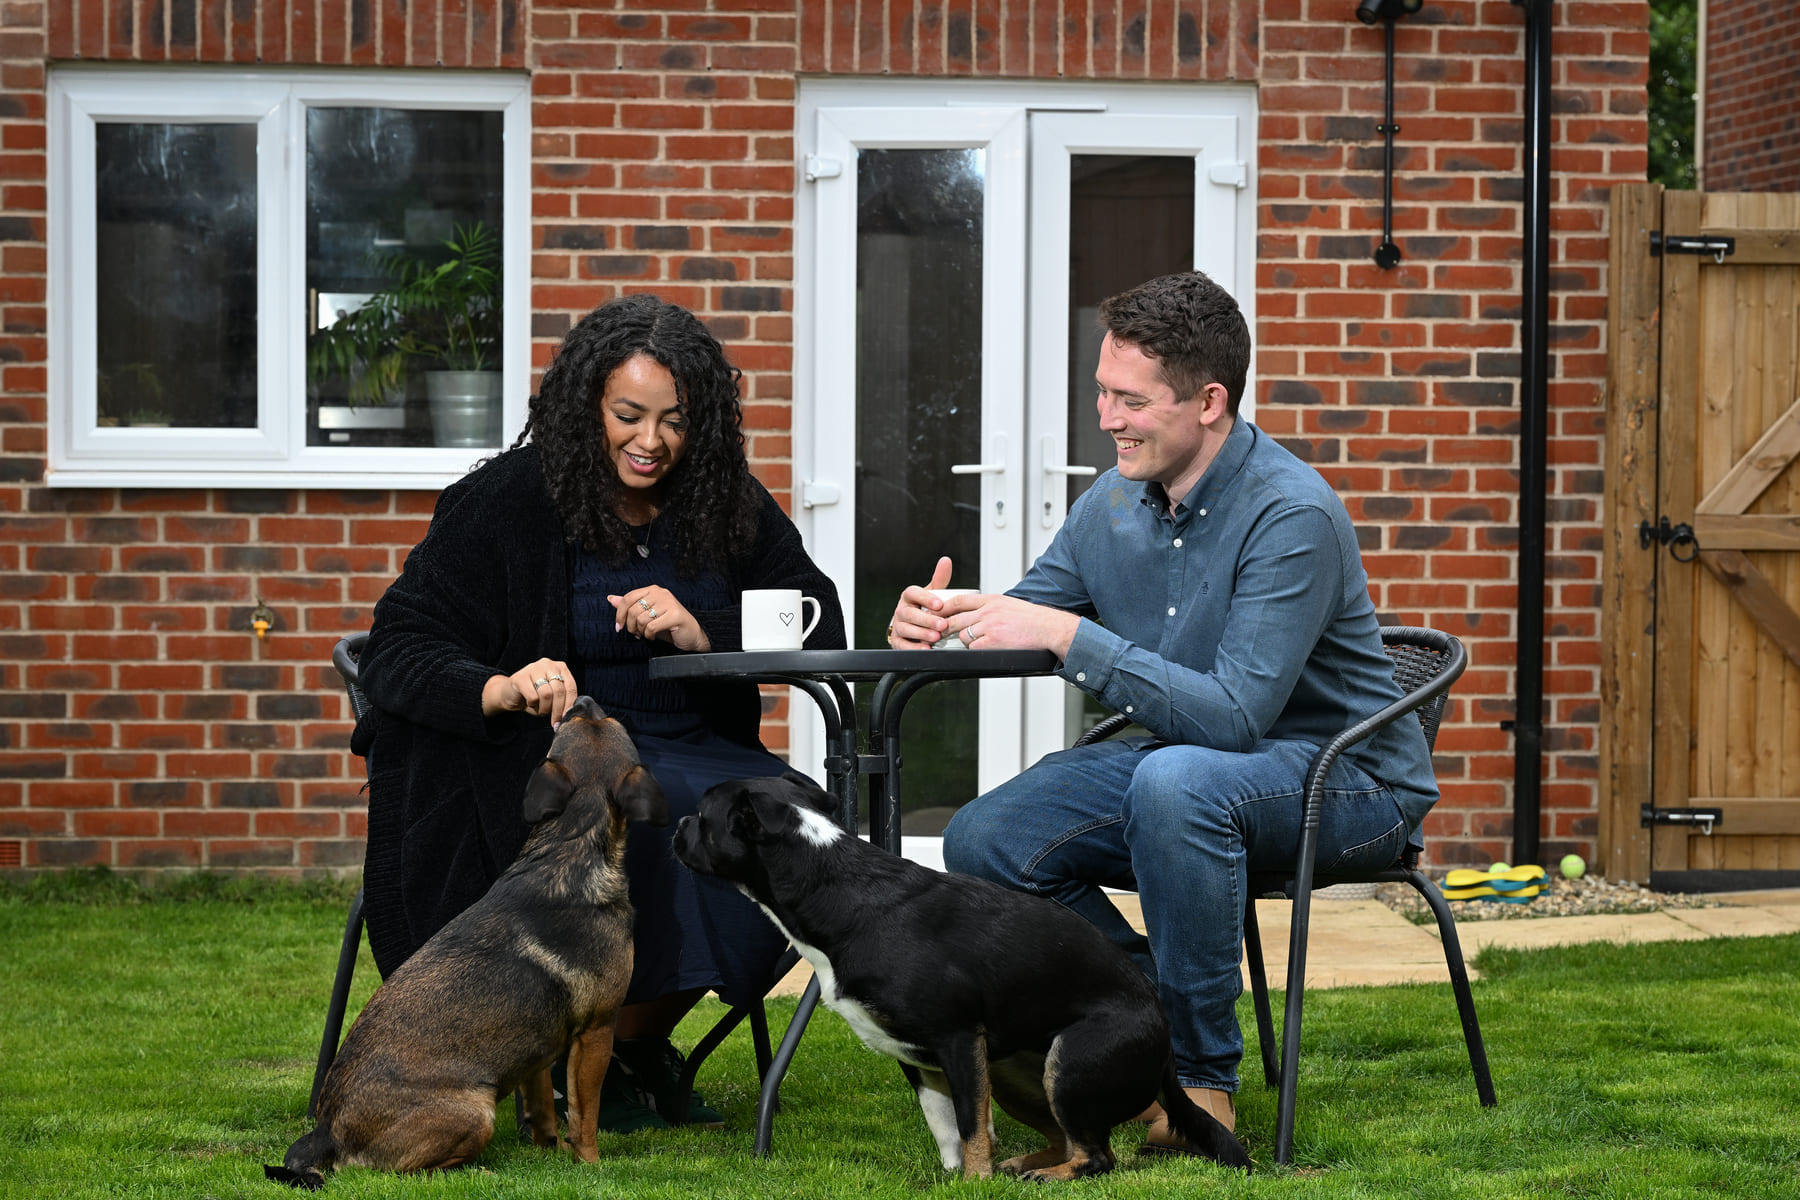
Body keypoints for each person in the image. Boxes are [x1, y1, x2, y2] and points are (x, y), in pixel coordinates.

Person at [885, 270, 1437, 1153]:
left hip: (1348, 783)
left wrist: (1070, 636)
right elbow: (1027, 620)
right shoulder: (1110, 503)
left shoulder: (1292, 514)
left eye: (1130, 400)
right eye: (1101, 391)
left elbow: (1231, 720)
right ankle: (1138, 1025)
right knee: (988, 835)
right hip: (1189, 766)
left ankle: (1202, 1084)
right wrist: (943, 623)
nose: (1106, 417)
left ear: (1209, 401)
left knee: (1180, 783)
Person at [355, 293, 846, 1133]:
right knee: (659, 817)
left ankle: (626, 1044)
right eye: (628, 415)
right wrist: (503, 685)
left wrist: (705, 631)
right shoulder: (512, 499)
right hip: (562, 754)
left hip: (696, 741)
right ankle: (595, 1052)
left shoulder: (723, 499)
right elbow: (399, 644)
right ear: (588, 407)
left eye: (675, 422)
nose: (650, 443)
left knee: (796, 825)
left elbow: (816, 617)